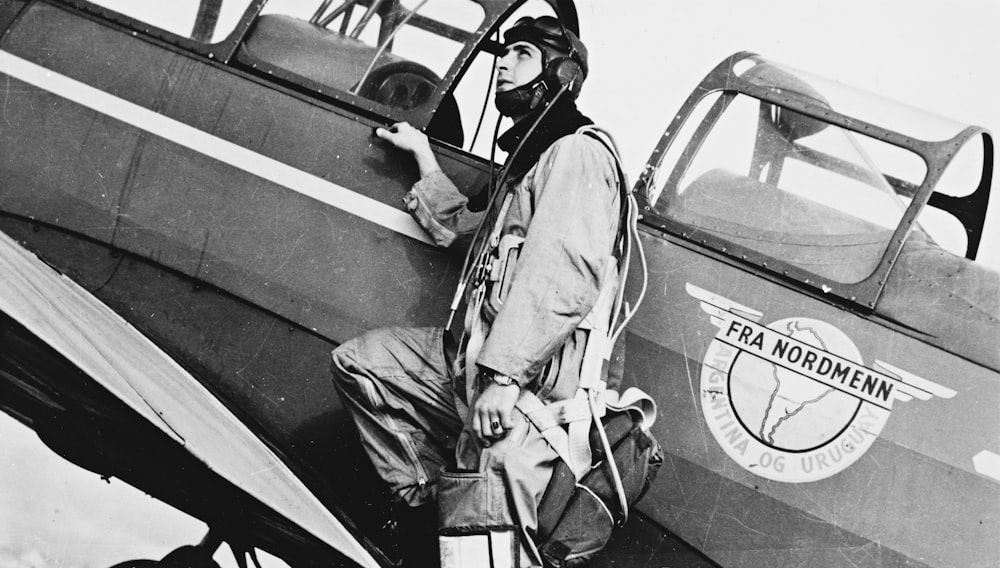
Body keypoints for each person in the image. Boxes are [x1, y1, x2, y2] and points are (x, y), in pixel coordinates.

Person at [331, 15, 626, 567]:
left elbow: (560, 276)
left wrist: (505, 378)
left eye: (520, 54)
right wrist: (422, 154)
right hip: (469, 367)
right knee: (365, 365)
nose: (502, 64)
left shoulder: (577, 154)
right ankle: (425, 515)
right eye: (503, 52)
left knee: (482, 547)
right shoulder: (533, 159)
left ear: (560, 75)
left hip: (525, 389)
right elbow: (470, 231)